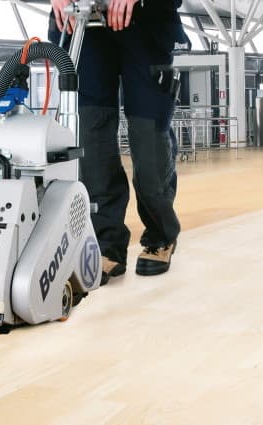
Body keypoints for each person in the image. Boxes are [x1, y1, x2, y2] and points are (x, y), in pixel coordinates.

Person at [50, 0, 187, 280]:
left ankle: (161, 234)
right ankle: (106, 242)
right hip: (84, 27)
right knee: (92, 141)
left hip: (146, 24)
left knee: (148, 140)